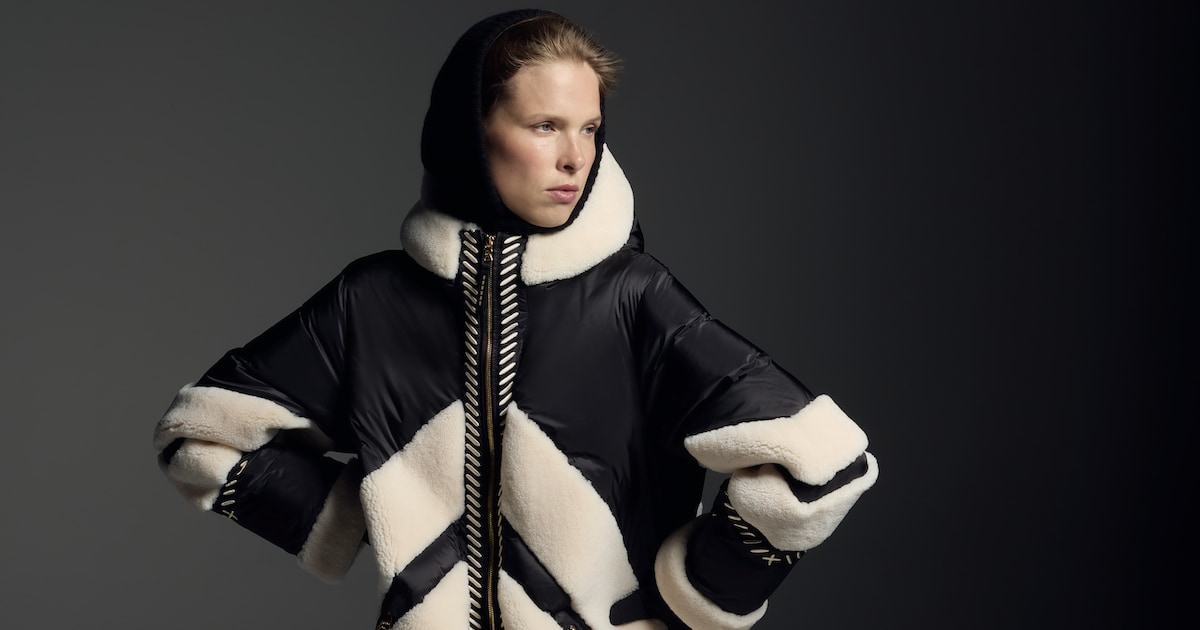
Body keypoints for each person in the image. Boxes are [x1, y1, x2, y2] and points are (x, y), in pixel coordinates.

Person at [152, 9, 877, 630]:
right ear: (469, 134)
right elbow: (199, 439)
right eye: (544, 125)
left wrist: (698, 593)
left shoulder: (631, 296)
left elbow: (821, 466)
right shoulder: (370, 300)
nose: (575, 157)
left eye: (589, 128)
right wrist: (361, 519)